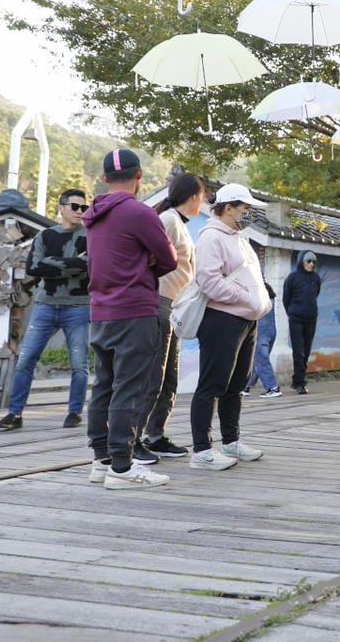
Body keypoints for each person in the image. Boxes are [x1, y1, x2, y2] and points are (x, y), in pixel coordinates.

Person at [83, 148, 177, 490]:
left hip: (101, 311)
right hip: (134, 310)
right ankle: (122, 468)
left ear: (105, 178)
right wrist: (146, 261)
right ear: (139, 175)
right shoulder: (140, 213)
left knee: (104, 386)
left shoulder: (92, 214)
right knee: (131, 389)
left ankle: (101, 460)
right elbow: (168, 260)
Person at [0, 189, 91, 431]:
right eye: (75, 206)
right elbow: (34, 267)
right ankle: (14, 414)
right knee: (26, 360)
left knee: (79, 364)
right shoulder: (46, 236)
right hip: (45, 304)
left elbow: (90, 265)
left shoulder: (90, 236)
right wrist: (73, 264)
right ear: (62, 208)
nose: (80, 212)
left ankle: (74, 412)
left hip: (78, 306)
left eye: (83, 208)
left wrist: (53, 264)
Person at [189, 184, 272, 471]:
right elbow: (208, 281)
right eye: (245, 210)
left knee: (236, 385)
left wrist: (256, 301)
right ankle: (201, 450)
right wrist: (246, 298)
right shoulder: (212, 237)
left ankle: (230, 441)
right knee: (212, 385)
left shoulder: (238, 237)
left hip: (246, 320)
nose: (249, 215)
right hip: (222, 320)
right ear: (228, 208)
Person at [134, 172, 205, 462]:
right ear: (193, 196)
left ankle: (156, 434)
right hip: (160, 302)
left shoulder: (180, 223)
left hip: (176, 308)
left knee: (169, 378)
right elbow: (148, 258)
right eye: (202, 195)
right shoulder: (167, 220)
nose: (203, 200)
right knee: (155, 375)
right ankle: (134, 438)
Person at [283, 250, 321, 395]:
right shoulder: (292, 278)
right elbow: (286, 299)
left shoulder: (316, 278)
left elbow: (316, 293)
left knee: (306, 352)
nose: (311, 264)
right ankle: (300, 383)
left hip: (311, 319)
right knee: (298, 352)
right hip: (296, 319)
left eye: (313, 262)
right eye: (308, 261)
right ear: (301, 261)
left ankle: (296, 379)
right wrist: (293, 312)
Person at [244, 282, 282, 397]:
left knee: (260, 360)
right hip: (270, 332)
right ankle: (245, 386)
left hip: (261, 333)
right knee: (257, 360)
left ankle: (272, 387)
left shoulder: (257, 293)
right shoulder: (269, 293)